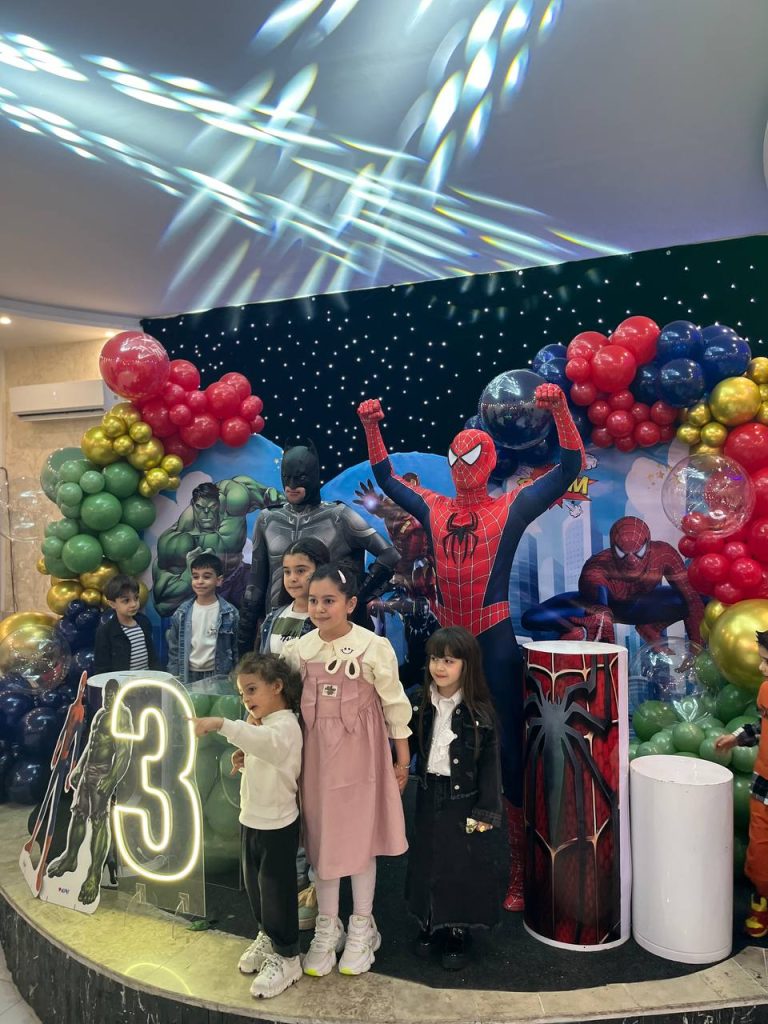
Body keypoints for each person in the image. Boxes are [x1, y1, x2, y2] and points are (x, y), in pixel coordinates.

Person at [358, 384, 585, 911]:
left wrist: (559, 410)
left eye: (472, 457)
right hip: (447, 641)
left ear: (488, 461)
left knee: (508, 754)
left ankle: (520, 870)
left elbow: (569, 465)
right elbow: (387, 478)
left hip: (493, 638)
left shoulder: (510, 507)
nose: (463, 466)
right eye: (457, 458)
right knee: (440, 745)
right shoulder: (434, 507)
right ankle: (441, 853)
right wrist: (371, 428)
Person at [282, 563, 411, 977]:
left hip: (362, 762)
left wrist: (402, 759)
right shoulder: (299, 651)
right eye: (314, 601)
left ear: (351, 603)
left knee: (359, 841)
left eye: (329, 601)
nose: (320, 608)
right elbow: (282, 707)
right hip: (316, 766)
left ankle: (362, 926)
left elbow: (394, 704)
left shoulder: (373, 648)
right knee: (323, 844)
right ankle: (327, 926)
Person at [191, 653, 304, 999]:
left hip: (278, 826)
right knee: (256, 889)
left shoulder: (286, 725)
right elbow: (259, 747)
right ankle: (267, 935)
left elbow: (269, 745)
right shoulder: (263, 725)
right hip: (252, 820)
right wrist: (245, 756)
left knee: (276, 891)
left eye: (252, 689)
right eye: (242, 693)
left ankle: (287, 956)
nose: (246, 699)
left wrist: (220, 723)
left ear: (278, 686)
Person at [238, 442, 401, 654]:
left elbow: (390, 554)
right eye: (287, 477)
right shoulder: (268, 519)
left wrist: (356, 597)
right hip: (278, 626)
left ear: (313, 476)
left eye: (300, 477)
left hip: (330, 629)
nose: (291, 485)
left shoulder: (338, 517)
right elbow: (255, 586)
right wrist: (244, 647)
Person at [406, 626, 503, 970]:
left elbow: (490, 768)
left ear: (467, 665)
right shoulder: (418, 703)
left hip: (465, 800)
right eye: (435, 658)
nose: (439, 667)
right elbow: (402, 743)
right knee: (426, 859)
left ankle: (457, 929)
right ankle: (429, 921)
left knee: (462, 865)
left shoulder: (480, 712)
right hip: (428, 793)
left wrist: (486, 813)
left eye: (449, 660)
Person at [47, 678, 133, 905]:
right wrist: (79, 768)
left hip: (102, 773)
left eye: (112, 695)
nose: (108, 699)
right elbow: (91, 744)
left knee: (98, 821)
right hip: (88, 772)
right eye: (106, 695)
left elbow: (124, 753)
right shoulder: (101, 715)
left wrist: (111, 778)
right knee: (77, 814)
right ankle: (70, 858)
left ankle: (94, 875)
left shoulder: (122, 716)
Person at [152, 477, 282, 617]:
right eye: (200, 508)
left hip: (238, 575)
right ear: (193, 506)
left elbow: (267, 495)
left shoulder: (234, 497)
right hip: (206, 592)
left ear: (219, 503)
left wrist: (273, 498)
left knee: (269, 599)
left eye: (212, 507)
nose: (206, 513)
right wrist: (188, 574)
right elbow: (163, 605)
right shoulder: (178, 541)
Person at [716, 630, 768, 938]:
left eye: (767, 662)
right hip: (764, 788)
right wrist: (736, 738)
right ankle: (761, 899)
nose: (761, 668)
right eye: (762, 660)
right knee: (759, 854)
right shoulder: (765, 690)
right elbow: (763, 726)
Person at [166, 553, 239, 685]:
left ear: (219, 580)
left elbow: (236, 650)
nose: (200, 581)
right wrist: (174, 679)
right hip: (188, 674)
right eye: (195, 577)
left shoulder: (230, 613)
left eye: (206, 577)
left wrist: (235, 678)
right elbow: (174, 651)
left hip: (219, 675)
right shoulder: (181, 613)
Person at [259, 538, 331, 654]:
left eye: (301, 571)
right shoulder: (273, 618)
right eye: (287, 572)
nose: (292, 578)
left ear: (321, 570)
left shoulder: (329, 618)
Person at [94, 574, 162, 674]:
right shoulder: (105, 632)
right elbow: (102, 668)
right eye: (126, 601)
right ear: (112, 604)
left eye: (136, 598)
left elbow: (152, 656)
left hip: (147, 679)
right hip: (123, 682)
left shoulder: (144, 622)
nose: (133, 604)